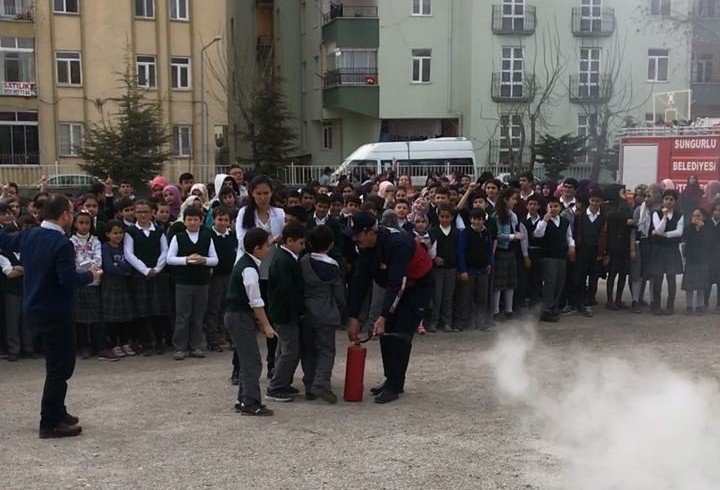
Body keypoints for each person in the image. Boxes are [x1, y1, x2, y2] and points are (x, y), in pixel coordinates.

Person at [0, 194, 103, 438]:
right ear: (65, 215)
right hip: (55, 312)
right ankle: (49, 422)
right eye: (70, 211)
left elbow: (4, 240)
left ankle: (58, 409)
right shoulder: (61, 243)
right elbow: (67, 279)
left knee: (55, 364)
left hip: (33, 308)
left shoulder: (29, 234)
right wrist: (91, 275)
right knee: (60, 368)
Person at [346, 211, 433, 404]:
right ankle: (391, 379)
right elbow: (360, 281)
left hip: (416, 285)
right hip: (395, 285)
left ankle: (395, 385)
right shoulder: (364, 246)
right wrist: (353, 316)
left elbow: (398, 284)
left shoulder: (397, 244)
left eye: (358, 234)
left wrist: (383, 316)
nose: (354, 238)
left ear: (371, 232)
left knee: (400, 333)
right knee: (384, 334)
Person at [234, 175, 285, 380]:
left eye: (266, 193)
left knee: (272, 318)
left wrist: (272, 243)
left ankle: (273, 363)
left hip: (271, 271)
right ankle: (238, 366)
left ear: (271, 193)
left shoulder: (279, 214)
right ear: (251, 194)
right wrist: (268, 241)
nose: (262, 198)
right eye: (258, 194)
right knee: (246, 321)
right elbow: (242, 241)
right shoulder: (244, 214)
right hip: (250, 270)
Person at [226, 227, 277, 416]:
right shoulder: (249, 269)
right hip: (239, 316)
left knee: (246, 358)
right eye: (266, 246)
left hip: (237, 315)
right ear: (257, 248)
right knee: (252, 361)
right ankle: (251, 402)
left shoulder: (246, 263)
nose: (269, 249)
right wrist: (266, 325)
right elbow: (255, 301)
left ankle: (243, 399)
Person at [300, 225, 346, 403]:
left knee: (308, 350)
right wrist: (345, 312)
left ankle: (309, 384)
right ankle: (320, 383)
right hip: (326, 312)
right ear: (330, 244)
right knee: (326, 350)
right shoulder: (332, 266)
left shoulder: (303, 261)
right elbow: (339, 293)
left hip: (306, 311)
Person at [167, 205, 218, 360]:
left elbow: (215, 260)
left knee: (198, 315)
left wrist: (204, 260)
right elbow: (170, 258)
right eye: (189, 219)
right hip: (183, 282)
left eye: (196, 219)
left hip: (202, 282)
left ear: (201, 221)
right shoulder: (179, 237)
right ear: (185, 221)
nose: (193, 222)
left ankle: (196, 346)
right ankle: (180, 347)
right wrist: (187, 259)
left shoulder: (207, 237)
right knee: (183, 316)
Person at [266, 221, 307, 402]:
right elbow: (287, 291)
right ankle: (276, 387)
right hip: (284, 313)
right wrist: (299, 309)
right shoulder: (284, 260)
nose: (303, 247)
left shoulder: (287, 258)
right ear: (289, 241)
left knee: (284, 349)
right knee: (290, 350)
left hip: (283, 312)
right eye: (301, 243)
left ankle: (280, 381)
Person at [124, 200, 171, 354]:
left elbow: (165, 251)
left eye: (146, 212)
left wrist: (157, 268)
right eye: (139, 212)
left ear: (152, 213)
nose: (143, 215)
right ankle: (145, 342)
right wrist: (145, 270)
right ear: (135, 213)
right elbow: (129, 254)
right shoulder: (131, 232)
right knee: (142, 311)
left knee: (158, 311)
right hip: (140, 276)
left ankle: (159, 341)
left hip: (158, 275)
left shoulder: (159, 231)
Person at [71, 211, 117, 361]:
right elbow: (73, 262)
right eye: (81, 223)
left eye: (87, 223)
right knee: (81, 317)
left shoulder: (96, 241)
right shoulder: (71, 242)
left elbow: (98, 259)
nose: (84, 226)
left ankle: (102, 346)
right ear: (75, 224)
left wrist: (89, 268)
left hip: (94, 283)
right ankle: (83, 345)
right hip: (78, 282)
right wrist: (87, 269)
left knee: (97, 317)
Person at [534, 196, 576, 322]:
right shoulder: (543, 221)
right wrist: (545, 221)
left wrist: (572, 246)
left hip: (561, 257)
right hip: (548, 257)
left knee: (559, 283)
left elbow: (569, 235)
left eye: (556, 206)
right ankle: (546, 310)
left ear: (560, 207)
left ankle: (554, 306)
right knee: (549, 284)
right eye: (550, 206)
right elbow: (537, 234)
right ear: (547, 208)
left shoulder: (564, 221)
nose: (553, 209)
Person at [204, 207, 238, 353]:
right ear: (214, 220)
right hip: (215, 277)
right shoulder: (208, 235)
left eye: (226, 220)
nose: (223, 223)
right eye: (220, 219)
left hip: (229, 275)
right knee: (213, 308)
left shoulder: (233, 236)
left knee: (229, 308)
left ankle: (230, 337)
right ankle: (213, 340)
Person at [101, 219, 137, 358]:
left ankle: (124, 342)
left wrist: (119, 264)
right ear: (108, 234)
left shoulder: (125, 247)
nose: (118, 235)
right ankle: (114, 345)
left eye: (120, 232)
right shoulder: (105, 247)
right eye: (115, 233)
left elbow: (131, 264)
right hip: (111, 285)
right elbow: (109, 267)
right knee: (112, 318)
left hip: (125, 286)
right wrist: (123, 270)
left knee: (126, 317)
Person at [455, 209, 493, 331]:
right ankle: (463, 322)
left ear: (483, 220)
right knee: (466, 298)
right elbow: (460, 252)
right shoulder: (465, 233)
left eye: (480, 219)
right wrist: (463, 270)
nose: (477, 222)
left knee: (482, 298)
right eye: (475, 219)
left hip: (482, 270)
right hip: (469, 271)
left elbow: (489, 249)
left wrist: (489, 263)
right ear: (471, 219)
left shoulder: (486, 233)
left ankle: (481, 322)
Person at [648, 189, 684, 315]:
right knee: (657, 279)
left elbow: (679, 232)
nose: (668, 202)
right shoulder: (656, 213)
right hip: (659, 250)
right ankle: (656, 306)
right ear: (662, 200)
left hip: (672, 249)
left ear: (675, 201)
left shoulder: (680, 215)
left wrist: (664, 235)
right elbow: (658, 229)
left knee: (671, 279)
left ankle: (670, 306)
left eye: (671, 199)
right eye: (666, 199)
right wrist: (664, 216)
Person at [572, 189, 607, 317]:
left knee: (593, 279)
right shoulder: (580, 216)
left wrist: (603, 253)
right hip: (582, 251)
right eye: (592, 200)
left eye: (597, 201)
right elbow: (576, 233)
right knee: (580, 278)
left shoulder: (603, 217)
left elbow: (605, 236)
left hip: (596, 252)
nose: (594, 203)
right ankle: (580, 302)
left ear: (601, 202)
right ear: (589, 201)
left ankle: (589, 302)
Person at [428, 203, 458, 333]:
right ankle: (433, 322)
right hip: (437, 269)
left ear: (451, 217)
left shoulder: (456, 232)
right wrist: (435, 259)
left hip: (451, 268)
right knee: (437, 296)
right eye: (442, 216)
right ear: (438, 217)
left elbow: (458, 251)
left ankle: (447, 322)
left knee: (448, 297)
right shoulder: (433, 231)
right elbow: (429, 249)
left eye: (447, 216)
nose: (444, 219)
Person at [682, 208, 710, 315]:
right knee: (689, 286)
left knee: (701, 285)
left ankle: (699, 306)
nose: (696, 218)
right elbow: (684, 238)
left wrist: (701, 228)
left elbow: (708, 241)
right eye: (694, 216)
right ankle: (688, 305)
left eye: (698, 216)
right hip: (691, 259)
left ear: (703, 217)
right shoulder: (689, 227)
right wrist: (692, 227)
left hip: (702, 259)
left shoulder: (707, 227)